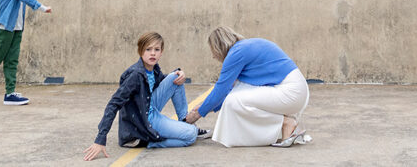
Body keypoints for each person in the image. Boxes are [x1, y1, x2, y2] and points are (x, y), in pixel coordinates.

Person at [83, 31, 207, 161]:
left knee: (176, 76)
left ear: (161, 52)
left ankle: (184, 121)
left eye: (156, 49)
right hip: (145, 119)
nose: (152, 53)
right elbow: (113, 104)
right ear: (141, 51)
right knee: (191, 135)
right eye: (148, 49)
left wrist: (181, 73)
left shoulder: (154, 69)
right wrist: (100, 139)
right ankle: (148, 141)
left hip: (149, 106)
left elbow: (160, 82)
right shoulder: (135, 75)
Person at [183, 27, 310, 148]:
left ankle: (286, 123)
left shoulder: (236, 53)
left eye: (213, 50)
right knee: (234, 98)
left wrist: (198, 114)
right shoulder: (244, 48)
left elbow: (221, 89)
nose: (213, 56)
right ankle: (286, 129)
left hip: (290, 92)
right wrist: (206, 107)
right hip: (296, 91)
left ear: (219, 46)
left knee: (233, 102)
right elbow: (231, 90)